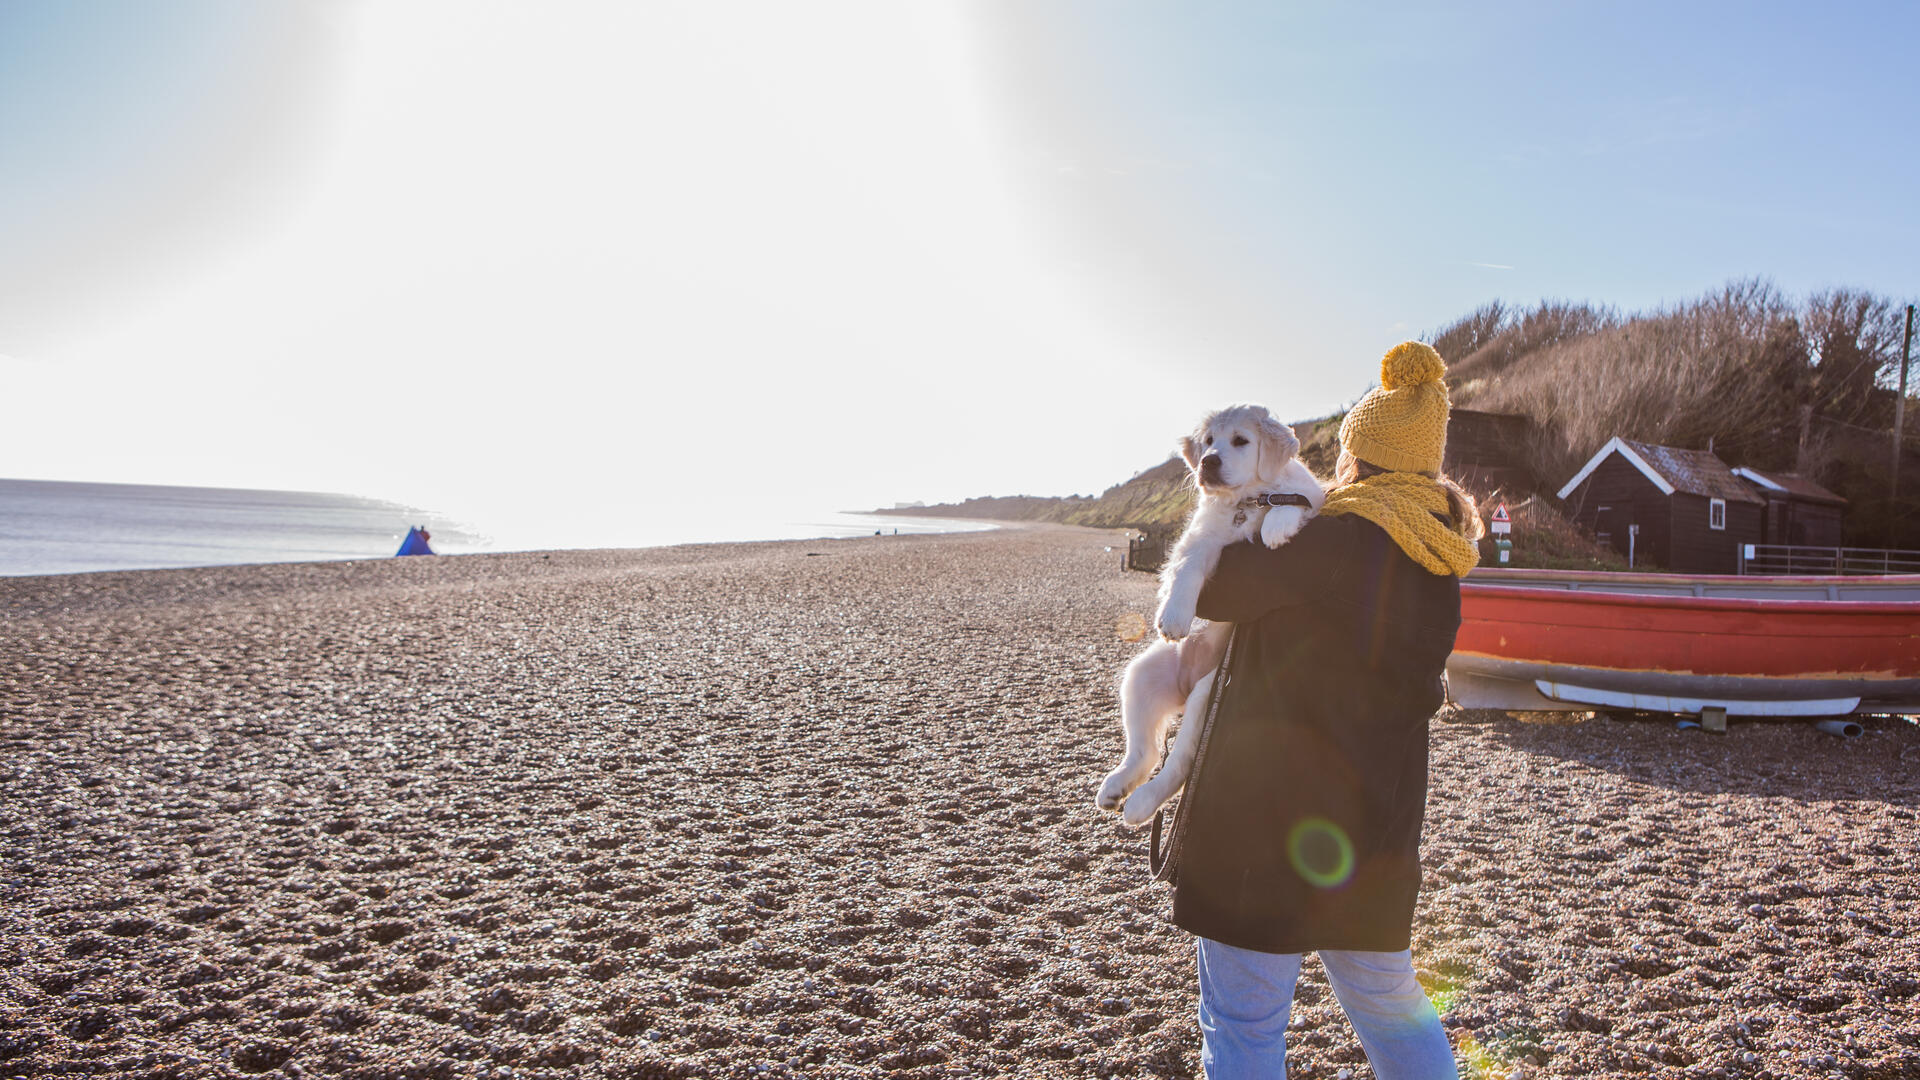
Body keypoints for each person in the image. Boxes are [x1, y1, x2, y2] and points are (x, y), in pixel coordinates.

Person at [1174, 341, 1483, 1079]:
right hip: (1376, 829)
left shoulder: (1333, 538)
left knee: (1245, 1021)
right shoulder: (1441, 560)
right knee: (1388, 1003)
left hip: (1268, 828)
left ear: (1356, 457)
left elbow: (1212, 589)